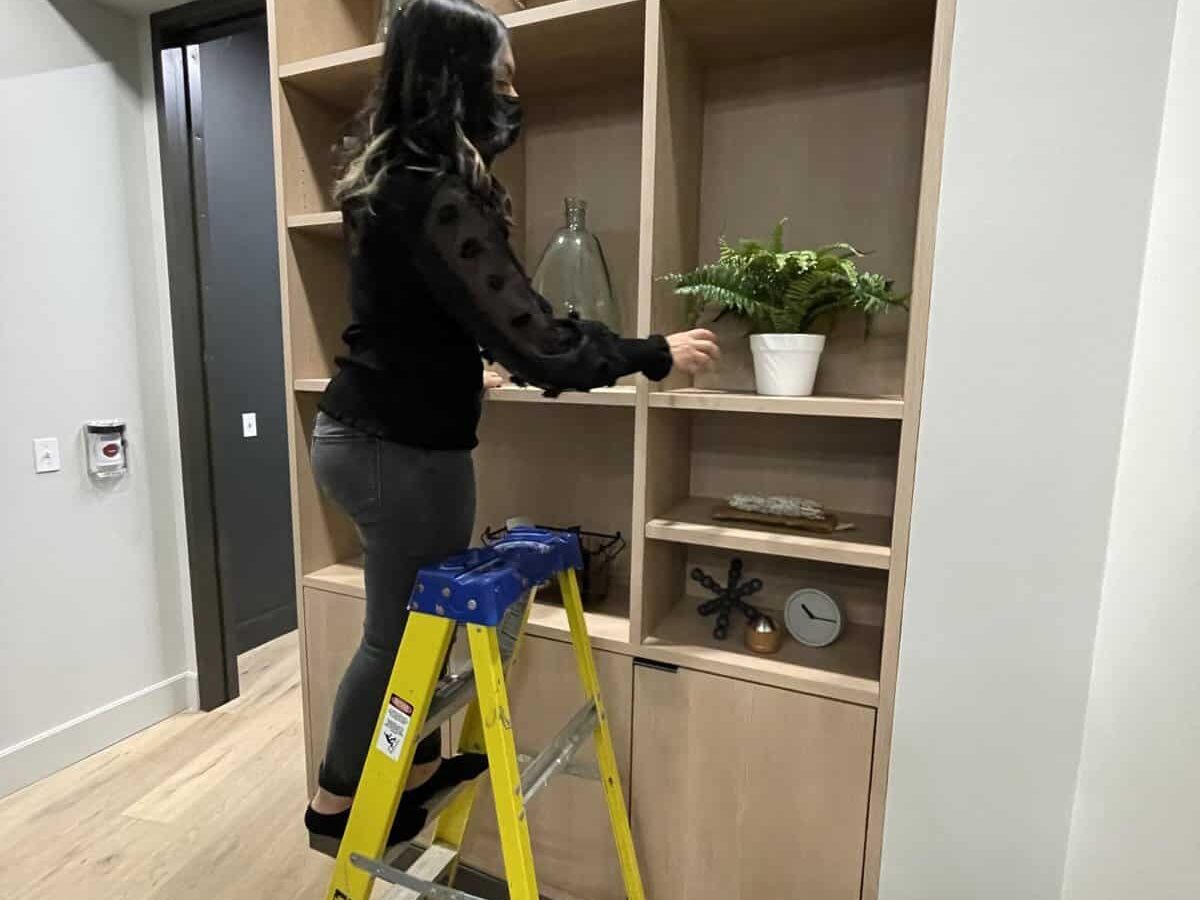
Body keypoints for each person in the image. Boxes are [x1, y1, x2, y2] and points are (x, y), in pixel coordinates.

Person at [304, 0, 719, 846]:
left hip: (376, 436)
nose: (513, 94)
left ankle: (417, 770)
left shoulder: (395, 180)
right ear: (453, 79)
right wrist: (652, 352)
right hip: (397, 451)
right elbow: (537, 339)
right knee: (396, 639)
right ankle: (336, 806)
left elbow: (417, 314)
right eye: (499, 77)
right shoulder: (434, 191)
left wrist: (469, 365)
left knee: (414, 630)